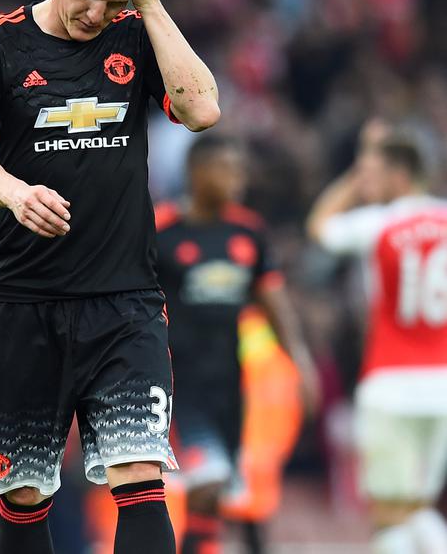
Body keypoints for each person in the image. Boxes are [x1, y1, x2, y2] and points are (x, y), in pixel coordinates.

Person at [0, 0, 220, 554]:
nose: (95, 14)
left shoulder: (132, 36)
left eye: (114, 1)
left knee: (140, 475)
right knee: (25, 494)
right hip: (24, 304)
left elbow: (202, 108)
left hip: (124, 303)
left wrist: (149, 7)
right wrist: (16, 194)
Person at [153, 135, 318, 553]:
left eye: (240, 170)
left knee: (219, 490)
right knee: (207, 482)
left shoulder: (248, 231)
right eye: (227, 169)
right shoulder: (161, 230)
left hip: (229, 380)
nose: (237, 179)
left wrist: (299, 361)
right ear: (197, 172)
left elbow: (273, 302)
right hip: (176, 383)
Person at [308, 132, 447, 553]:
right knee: (419, 504)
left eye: (376, 175)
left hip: (388, 382)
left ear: (399, 176)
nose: (369, 186)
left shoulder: (381, 223)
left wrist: (353, 176)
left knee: (388, 513)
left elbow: (319, 228)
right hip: (442, 383)